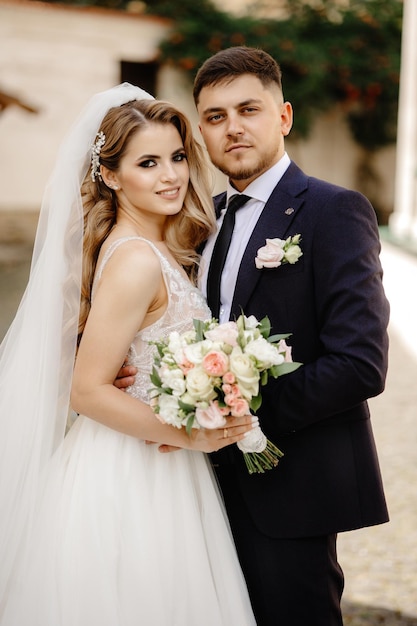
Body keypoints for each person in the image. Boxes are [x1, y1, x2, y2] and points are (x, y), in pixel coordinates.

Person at [116, 47, 391, 625]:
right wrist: (139, 378)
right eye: (215, 117)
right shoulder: (198, 219)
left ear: (283, 116)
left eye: (249, 109)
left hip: (292, 482)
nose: (232, 127)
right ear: (201, 133)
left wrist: (231, 415)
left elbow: (360, 363)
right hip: (197, 488)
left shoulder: (333, 212)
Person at [0, 83, 257, 625]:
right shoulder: (137, 259)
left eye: (178, 157)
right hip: (127, 472)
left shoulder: (153, 247)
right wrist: (191, 432)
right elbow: (87, 390)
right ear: (111, 176)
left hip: (154, 461)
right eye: (148, 163)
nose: (171, 175)